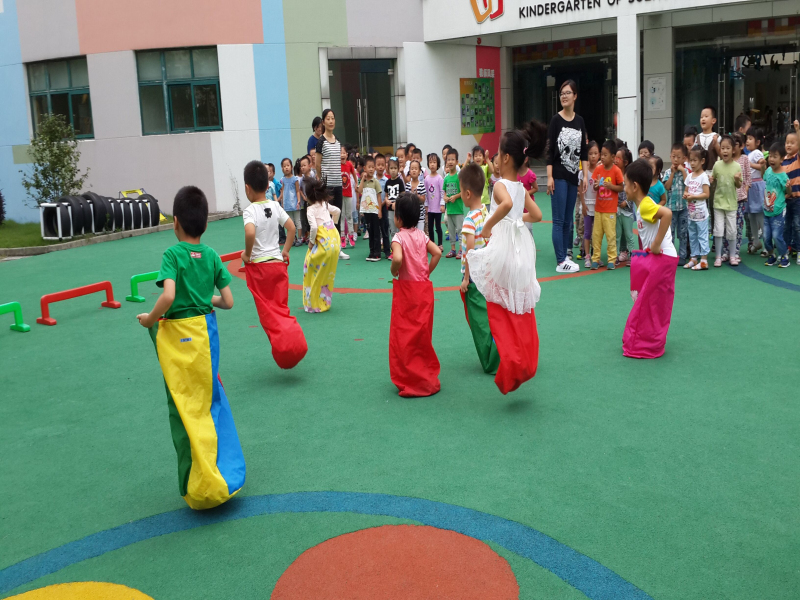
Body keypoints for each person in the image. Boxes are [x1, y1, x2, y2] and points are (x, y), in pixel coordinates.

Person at [137, 185, 245, 510]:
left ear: (175, 222)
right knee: (208, 404)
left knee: (183, 407)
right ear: (205, 224)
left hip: (178, 341)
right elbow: (228, 301)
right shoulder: (211, 256)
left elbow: (169, 296)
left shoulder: (172, 255)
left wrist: (149, 319)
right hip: (206, 340)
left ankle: (198, 486)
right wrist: (204, 298)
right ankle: (223, 474)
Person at [467, 121, 545, 395]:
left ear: (507, 158)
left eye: (498, 154)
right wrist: (515, 220)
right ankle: (522, 359)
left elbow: (507, 204)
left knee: (499, 308)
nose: (495, 159)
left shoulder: (501, 185)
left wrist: (488, 226)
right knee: (517, 307)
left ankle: (510, 360)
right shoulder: (521, 188)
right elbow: (537, 215)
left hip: (504, 251)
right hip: (521, 252)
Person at [240, 160, 307, 369]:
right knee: (280, 309)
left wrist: (247, 254)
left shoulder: (250, 211)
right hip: (278, 265)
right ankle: (294, 341)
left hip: (261, 269)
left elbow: (250, 232)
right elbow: (292, 228)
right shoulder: (275, 206)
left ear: (247, 188)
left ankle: (286, 348)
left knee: (269, 314)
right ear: (268, 185)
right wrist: (285, 251)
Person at [622, 158, 678, 359]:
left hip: (663, 259)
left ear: (635, 186)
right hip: (662, 260)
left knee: (648, 303)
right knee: (652, 302)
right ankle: (649, 341)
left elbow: (667, 214)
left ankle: (646, 343)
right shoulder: (643, 206)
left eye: (625, 184)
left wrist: (655, 244)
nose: (624, 188)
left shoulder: (645, 205)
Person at [389, 192, 442, 398]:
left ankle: (409, 375)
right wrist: (426, 272)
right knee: (422, 335)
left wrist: (394, 271)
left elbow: (398, 259)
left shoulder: (398, 238)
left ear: (399, 219)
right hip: (424, 291)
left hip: (407, 293)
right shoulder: (422, 235)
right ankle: (424, 371)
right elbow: (437, 252)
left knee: (404, 335)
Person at [459, 162, 500, 375]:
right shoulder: (485, 212)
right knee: (489, 315)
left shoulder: (469, 220)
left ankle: (492, 359)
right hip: (488, 273)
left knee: (479, 320)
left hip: (475, 278)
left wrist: (466, 278)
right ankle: (499, 349)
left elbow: (470, 251)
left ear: (467, 194)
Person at [546, 79, 588, 273]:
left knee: (568, 219)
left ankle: (565, 257)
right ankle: (561, 260)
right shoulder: (556, 120)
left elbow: (583, 152)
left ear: (575, 96)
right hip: (559, 175)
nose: (564, 96)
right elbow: (549, 150)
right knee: (558, 219)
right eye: (562, 93)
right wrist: (549, 177)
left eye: (567, 93)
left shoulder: (580, 121)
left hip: (573, 176)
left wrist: (584, 175)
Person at [303, 176, 342, 313]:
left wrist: (311, 242)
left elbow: (314, 228)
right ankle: (324, 302)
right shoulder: (324, 204)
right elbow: (337, 211)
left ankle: (313, 303)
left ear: (308, 196)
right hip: (334, 239)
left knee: (310, 267)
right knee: (327, 273)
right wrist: (333, 225)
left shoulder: (310, 209)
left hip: (324, 241)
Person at [315, 108, 349, 259]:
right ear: (323, 122)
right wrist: (322, 182)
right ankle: (327, 248)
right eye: (328, 118)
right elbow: (317, 164)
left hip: (338, 185)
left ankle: (337, 248)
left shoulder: (338, 141)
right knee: (326, 217)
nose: (331, 121)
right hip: (326, 186)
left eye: (333, 118)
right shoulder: (321, 142)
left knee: (337, 216)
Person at [710, 135, 742, 267]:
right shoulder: (717, 165)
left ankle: (732, 256)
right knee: (718, 230)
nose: (725, 151)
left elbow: (739, 185)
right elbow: (713, 181)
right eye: (722, 148)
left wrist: (737, 180)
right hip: (718, 203)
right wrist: (711, 181)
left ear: (733, 150)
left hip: (732, 204)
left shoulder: (737, 166)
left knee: (732, 231)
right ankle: (718, 256)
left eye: (728, 148)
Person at [591, 140, 623, 270]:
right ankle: (595, 259)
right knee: (596, 236)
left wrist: (611, 186)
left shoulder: (616, 171)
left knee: (611, 236)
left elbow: (621, 187)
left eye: (605, 155)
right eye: (602, 154)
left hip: (610, 211)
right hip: (598, 209)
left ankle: (611, 259)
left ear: (613, 157)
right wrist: (596, 185)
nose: (602, 157)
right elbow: (594, 187)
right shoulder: (598, 169)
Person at [763, 143, 792, 267]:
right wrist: (762, 167)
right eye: (770, 156)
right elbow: (764, 177)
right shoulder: (768, 171)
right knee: (766, 237)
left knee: (776, 236)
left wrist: (789, 187)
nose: (771, 159)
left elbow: (788, 193)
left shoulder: (783, 176)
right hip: (766, 211)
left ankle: (784, 255)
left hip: (778, 211)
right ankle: (772, 255)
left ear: (781, 159)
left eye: (775, 156)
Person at [683, 147, 711, 271]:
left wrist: (693, 196)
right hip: (691, 213)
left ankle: (704, 260)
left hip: (701, 214)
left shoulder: (704, 176)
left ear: (702, 161)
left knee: (702, 236)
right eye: (691, 160)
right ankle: (694, 258)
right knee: (692, 236)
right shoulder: (689, 176)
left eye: (695, 160)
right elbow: (686, 191)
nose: (692, 163)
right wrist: (686, 195)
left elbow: (706, 194)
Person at [662, 143, 690, 265]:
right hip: (671, 209)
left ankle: (683, 255)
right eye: (674, 156)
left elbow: (688, 184)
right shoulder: (668, 172)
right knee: (671, 233)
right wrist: (673, 173)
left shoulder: (686, 171)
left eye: (679, 157)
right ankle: (672, 255)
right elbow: (667, 187)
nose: (676, 159)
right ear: (670, 157)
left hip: (683, 207)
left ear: (684, 158)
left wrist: (683, 171)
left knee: (683, 233)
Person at [727, 132, 752, 259]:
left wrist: (745, 192)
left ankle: (735, 251)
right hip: (727, 199)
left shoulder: (744, 159)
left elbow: (748, 178)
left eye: (735, 144)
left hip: (740, 199)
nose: (732, 147)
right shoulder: (726, 160)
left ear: (741, 146)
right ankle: (726, 251)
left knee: (738, 225)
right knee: (727, 225)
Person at [698, 106, 721, 235]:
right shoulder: (697, 138)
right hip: (700, 175)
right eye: (701, 117)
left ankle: (714, 231)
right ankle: (704, 230)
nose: (703, 119)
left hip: (713, 175)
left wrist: (716, 144)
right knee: (702, 205)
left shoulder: (716, 137)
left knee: (713, 205)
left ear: (713, 121)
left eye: (706, 116)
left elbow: (722, 155)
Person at [358, 156, 383, 262]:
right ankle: (371, 252)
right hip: (367, 211)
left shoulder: (375, 182)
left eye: (373, 167)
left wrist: (379, 210)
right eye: (369, 167)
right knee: (370, 231)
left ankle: (377, 253)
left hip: (374, 211)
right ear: (364, 168)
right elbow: (359, 191)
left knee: (376, 232)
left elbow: (378, 197)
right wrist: (362, 179)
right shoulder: (364, 181)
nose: (371, 169)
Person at [745, 127, 766, 254]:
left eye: (750, 139)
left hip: (757, 186)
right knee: (751, 215)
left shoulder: (757, 152)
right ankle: (756, 241)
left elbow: (762, 165)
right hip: (750, 186)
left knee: (759, 215)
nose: (747, 141)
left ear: (757, 142)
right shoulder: (749, 154)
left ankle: (767, 245)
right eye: (747, 138)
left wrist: (750, 165)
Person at [578, 141, 599, 268]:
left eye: (595, 153)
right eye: (590, 153)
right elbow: (581, 189)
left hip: (598, 207)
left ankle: (596, 256)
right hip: (587, 205)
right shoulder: (583, 173)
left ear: (599, 154)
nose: (593, 156)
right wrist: (583, 204)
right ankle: (587, 256)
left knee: (597, 233)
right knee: (587, 232)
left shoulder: (600, 170)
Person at [782, 120, 800, 263]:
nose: (788, 145)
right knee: (786, 225)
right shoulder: (782, 160)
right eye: (787, 142)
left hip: (797, 199)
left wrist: (798, 130)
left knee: (797, 225)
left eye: (792, 143)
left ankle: (799, 249)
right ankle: (786, 248)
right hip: (785, 199)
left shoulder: (797, 158)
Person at [443, 149, 464, 259]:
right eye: (448, 160)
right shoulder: (446, 177)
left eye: (452, 159)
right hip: (449, 209)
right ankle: (453, 249)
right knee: (451, 231)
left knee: (460, 230)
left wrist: (455, 197)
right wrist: (445, 198)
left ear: (457, 161)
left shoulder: (459, 176)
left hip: (458, 209)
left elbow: (463, 191)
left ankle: (461, 250)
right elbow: (444, 192)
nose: (450, 162)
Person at [278, 157, 302, 246]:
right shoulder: (283, 180)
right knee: (290, 223)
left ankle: (300, 238)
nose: (286, 167)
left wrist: (298, 201)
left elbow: (297, 191)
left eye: (288, 165)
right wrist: (282, 203)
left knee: (297, 221)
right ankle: (293, 238)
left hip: (295, 204)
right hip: (287, 205)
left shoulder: (295, 179)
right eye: (284, 166)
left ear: (291, 167)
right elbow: (283, 191)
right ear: (282, 168)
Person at [425, 153, 445, 250]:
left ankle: (440, 244)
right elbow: (425, 193)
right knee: (430, 227)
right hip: (430, 208)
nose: (432, 164)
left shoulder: (439, 178)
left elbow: (442, 192)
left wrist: (442, 204)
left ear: (438, 164)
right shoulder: (426, 179)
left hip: (437, 208)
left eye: (434, 162)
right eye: (430, 162)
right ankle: (432, 244)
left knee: (438, 226)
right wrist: (426, 205)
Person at [375, 153, 391, 260]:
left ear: (385, 166)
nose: (380, 167)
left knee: (385, 230)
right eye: (378, 164)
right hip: (374, 209)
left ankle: (387, 251)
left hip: (384, 208)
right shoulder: (372, 179)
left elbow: (387, 195)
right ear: (375, 166)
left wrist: (381, 204)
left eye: (382, 164)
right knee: (375, 231)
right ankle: (376, 251)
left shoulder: (386, 181)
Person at [385, 158, 404, 247]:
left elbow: (403, 195)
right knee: (392, 230)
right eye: (391, 168)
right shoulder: (387, 182)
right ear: (388, 169)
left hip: (399, 209)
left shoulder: (400, 181)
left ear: (398, 169)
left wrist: (397, 203)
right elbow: (386, 195)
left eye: (395, 168)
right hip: (390, 210)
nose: (393, 170)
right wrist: (386, 200)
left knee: (400, 229)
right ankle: (394, 247)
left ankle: (401, 246)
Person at [405, 160, 427, 232]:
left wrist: (417, 196)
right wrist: (411, 195)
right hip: (410, 215)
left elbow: (423, 199)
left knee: (420, 233)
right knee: (411, 233)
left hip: (420, 215)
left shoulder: (421, 185)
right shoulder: (408, 185)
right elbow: (406, 200)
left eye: (416, 169)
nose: (414, 170)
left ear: (419, 171)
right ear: (409, 171)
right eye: (412, 169)